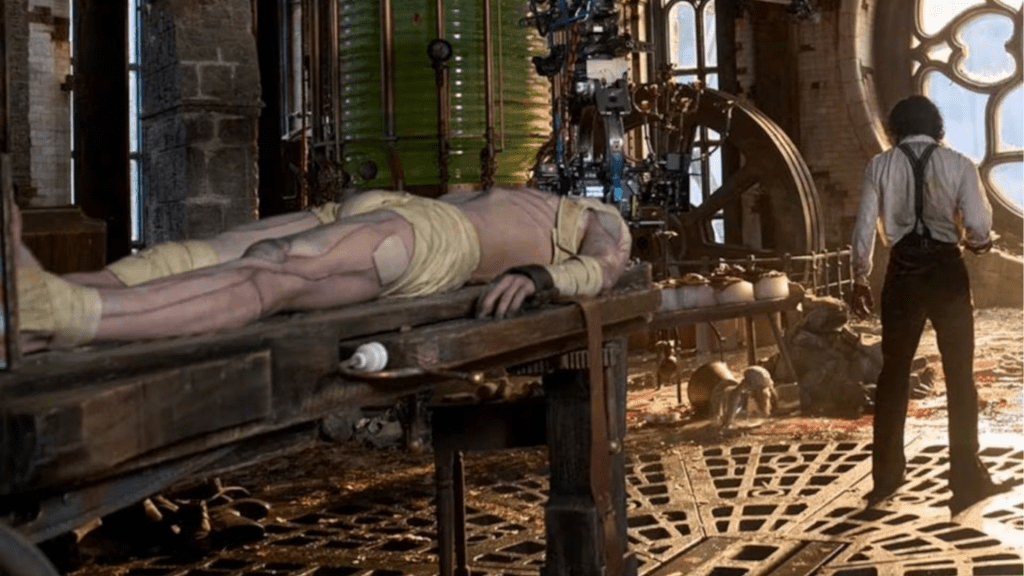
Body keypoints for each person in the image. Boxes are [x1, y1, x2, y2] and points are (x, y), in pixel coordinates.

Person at [16, 187, 632, 351]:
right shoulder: (547, 197)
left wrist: (542, 278)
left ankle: (65, 315)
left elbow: (603, 267)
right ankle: (31, 297)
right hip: (391, 208)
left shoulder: (608, 221)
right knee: (201, 252)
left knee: (279, 270)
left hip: (439, 241)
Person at [850, 95, 1013, 515]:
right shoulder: (959, 164)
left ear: (895, 129)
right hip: (946, 273)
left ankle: (886, 476)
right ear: (937, 128)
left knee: (893, 374)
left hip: (902, 274)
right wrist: (979, 242)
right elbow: (978, 224)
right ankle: (966, 478)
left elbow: (864, 227)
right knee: (960, 376)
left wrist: (859, 278)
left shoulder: (879, 166)